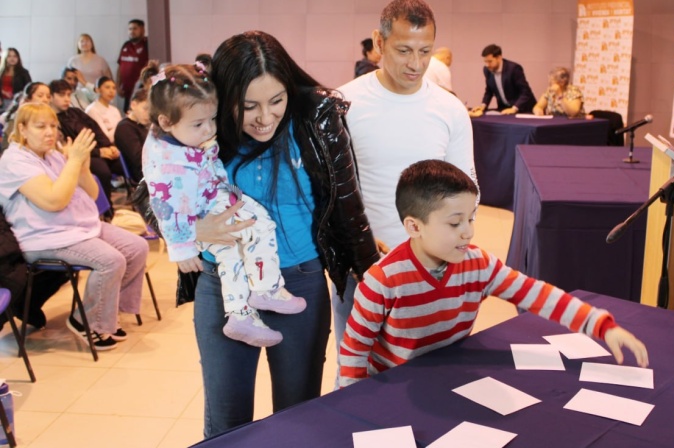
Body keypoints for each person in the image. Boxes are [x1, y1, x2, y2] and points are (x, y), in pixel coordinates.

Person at [193, 30, 379, 437]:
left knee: (298, 417)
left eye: (276, 101)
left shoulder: (315, 115)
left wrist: (375, 276)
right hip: (224, 286)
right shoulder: (200, 122)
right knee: (227, 422)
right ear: (225, 101)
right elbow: (151, 195)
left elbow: (348, 202)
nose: (264, 117)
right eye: (248, 106)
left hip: (299, 283)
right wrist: (194, 230)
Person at [339, 159, 649, 386]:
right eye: (455, 222)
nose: (468, 232)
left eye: (471, 218)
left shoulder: (479, 264)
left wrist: (602, 325)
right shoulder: (382, 280)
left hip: (454, 379)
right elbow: (354, 352)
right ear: (414, 226)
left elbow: (537, 295)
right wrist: (350, 406)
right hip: (396, 387)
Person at [336, 0, 475, 352]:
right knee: (358, 377)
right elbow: (331, 193)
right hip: (364, 268)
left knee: (433, 379)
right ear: (378, 43)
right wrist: (355, 247)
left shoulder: (450, 109)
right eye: (403, 50)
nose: (416, 64)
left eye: (425, 51)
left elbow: (467, 196)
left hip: (435, 268)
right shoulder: (345, 104)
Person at [143, 63, 307, 347]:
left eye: (212, 119)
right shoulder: (167, 163)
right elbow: (165, 207)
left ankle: (241, 315)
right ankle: (266, 289)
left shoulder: (177, 139)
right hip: (204, 209)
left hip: (213, 198)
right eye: (198, 124)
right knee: (258, 225)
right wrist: (181, 246)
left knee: (232, 253)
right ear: (166, 121)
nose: (208, 129)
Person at [0, 103, 148, 350]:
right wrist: (73, 162)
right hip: (44, 237)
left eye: (53, 126)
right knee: (111, 260)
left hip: (76, 228)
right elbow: (53, 201)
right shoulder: (13, 161)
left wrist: (82, 167)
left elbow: (90, 193)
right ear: (22, 129)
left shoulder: (53, 155)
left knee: (136, 247)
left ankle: (106, 314)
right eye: (41, 126)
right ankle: (87, 321)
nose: (50, 132)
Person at [49, 79, 123, 212]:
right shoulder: (53, 120)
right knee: (103, 171)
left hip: (100, 149)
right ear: (51, 97)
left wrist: (109, 145)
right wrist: (99, 152)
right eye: (61, 95)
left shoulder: (75, 112)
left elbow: (96, 128)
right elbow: (68, 146)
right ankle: (106, 211)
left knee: (124, 163)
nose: (66, 99)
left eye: (68, 95)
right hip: (83, 156)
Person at [470, 44, 536, 116]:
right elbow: (489, 91)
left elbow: (525, 92)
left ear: (499, 57)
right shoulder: (487, 70)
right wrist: (482, 106)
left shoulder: (514, 69)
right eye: (485, 62)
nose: (487, 65)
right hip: (504, 110)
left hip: (523, 110)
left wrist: (514, 108)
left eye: (490, 61)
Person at [1, 82, 51, 152]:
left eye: (48, 97)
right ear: (28, 99)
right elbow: (6, 147)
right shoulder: (17, 119)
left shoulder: (49, 118)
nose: (45, 100)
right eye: (40, 96)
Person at [114, 88, 150, 184]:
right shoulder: (125, 128)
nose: (148, 114)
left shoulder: (142, 125)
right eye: (145, 109)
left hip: (151, 168)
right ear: (133, 105)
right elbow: (139, 160)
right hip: (143, 175)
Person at [117, 19, 149, 113]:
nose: (132, 31)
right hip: (127, 92)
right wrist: (118, 85)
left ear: (142, 29)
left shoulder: (147, 45)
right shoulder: (125, 45)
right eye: (130, 29)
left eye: (135, 28)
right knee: (128, 114)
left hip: (141, 92)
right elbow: (120, 66)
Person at [85, 77, 122, 143]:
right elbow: (105, 137)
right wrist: (120, 126)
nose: (111, 91)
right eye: (107, 87)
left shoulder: (115, 110)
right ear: (98, 90)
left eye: (114, 88)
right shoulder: (92, 110)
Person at [0, 48, 32, 113]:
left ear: (18, 58)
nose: (12, 58)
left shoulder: (23, 72)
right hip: (2, 101)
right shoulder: (1, 71)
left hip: (16, 102)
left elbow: (29, 88)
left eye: (15, 56)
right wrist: (3, 92)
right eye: (9, 56)